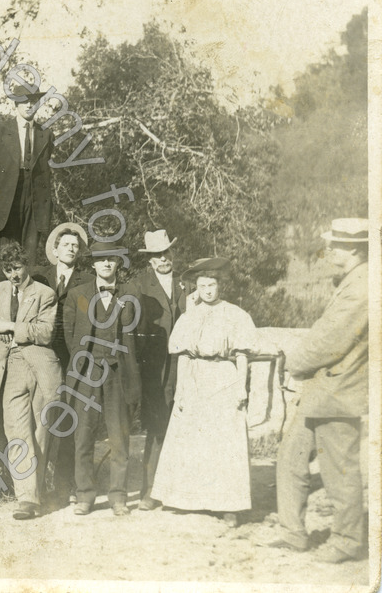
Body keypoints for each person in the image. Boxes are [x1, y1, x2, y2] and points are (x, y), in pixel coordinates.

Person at [267, 218, 369, 563]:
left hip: (341, 391)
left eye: (336, 245)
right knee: (291, 456)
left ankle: (348, 542)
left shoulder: (363, 286)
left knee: (339, 470)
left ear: (355, 249)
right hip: (323, 389)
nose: (329, 250)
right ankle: (293, 533)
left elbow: (330, 340)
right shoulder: (353, 281)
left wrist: (294, 363)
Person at [149, 258, 273, 526]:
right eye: (202, 285)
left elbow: (242, 355)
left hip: (223, 378)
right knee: (192, 439)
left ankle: (229, 504)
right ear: (196, 287)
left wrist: (241, 386)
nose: (207, 290)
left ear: (220, 286)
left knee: (223, 442)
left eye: (212, 285)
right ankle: (186, 499)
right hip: (195, 377)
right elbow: (182, 356)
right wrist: (181, 390)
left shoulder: (236, 315)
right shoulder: (188, 317)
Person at [0, 242, 63, 520]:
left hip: (40, 367)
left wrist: (11, 327)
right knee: (16, 431)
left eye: (17, 268)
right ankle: (26, 499)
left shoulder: (45, 294)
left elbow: (45, 332)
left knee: (40, 431)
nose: (13, 275)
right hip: (10, 367)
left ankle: (34, 495)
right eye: (7, 269)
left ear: (27, 266)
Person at [62, 241, 140, 517]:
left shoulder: (130, 294)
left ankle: (118, 496)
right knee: (83, 436)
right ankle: (85, 495)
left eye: (112, 259)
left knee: (119, 437)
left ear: (118, 263)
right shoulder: (77, 295)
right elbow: (71, 336)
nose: (107, 264)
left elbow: (134, 335)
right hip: (87, 375)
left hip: (118, 374)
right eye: (101, 259)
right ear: (92, 264)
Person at [130, 229, 188, 511]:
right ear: (150, 260)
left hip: (186, 366)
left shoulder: (187, 283)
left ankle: (184, 490)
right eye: (157, 255)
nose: (163, 259)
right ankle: (150, 490)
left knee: (187, 426)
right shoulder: (139, 285)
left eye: (167, 253)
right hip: (155, 368)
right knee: (157, 427)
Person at [36, 222, 93, 505]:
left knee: (67, 417)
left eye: (75, 246)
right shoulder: (39, 277)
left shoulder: (86, 281)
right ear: (55, 250)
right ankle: (34, 485)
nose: (71, 249)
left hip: (70, 356)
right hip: (40, 354)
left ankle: (63, 484)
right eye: (66, 245)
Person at [0, 84, 55, 267]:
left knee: (29, 258)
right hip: (7, 199)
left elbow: (45, 173)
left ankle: (27, 296)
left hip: (34, 200)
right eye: (24, 101)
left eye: (33, 101)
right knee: (6, 257)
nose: (29, 105)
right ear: (16, 103)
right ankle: (3, 295)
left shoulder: (46, 134)